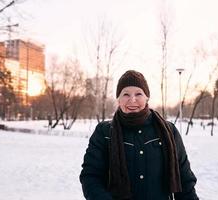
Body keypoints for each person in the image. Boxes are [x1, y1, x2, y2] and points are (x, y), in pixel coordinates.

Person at [79, 70, 199, 200]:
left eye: (138, 94)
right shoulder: (104, 132)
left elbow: (185, 179)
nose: (132, 100)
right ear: (118, 99)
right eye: (125, 94)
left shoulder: (169, 131)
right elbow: (90, 176)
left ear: (146, 97)